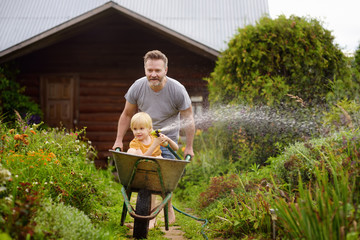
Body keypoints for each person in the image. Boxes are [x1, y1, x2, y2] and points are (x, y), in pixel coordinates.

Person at [112, 49, 195, 226]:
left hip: (165, 140)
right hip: (142, 138)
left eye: (157, 70)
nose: (153, 74)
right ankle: (150, 214)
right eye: (150, 70)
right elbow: (127, 114)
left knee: (161, 178)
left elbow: (188, 119)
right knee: (141, 174)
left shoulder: (177, 90)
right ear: (145, 69)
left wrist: (189, 147)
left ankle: (165, 209)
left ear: (166, 70)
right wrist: (119, 140)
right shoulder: (137, 86)